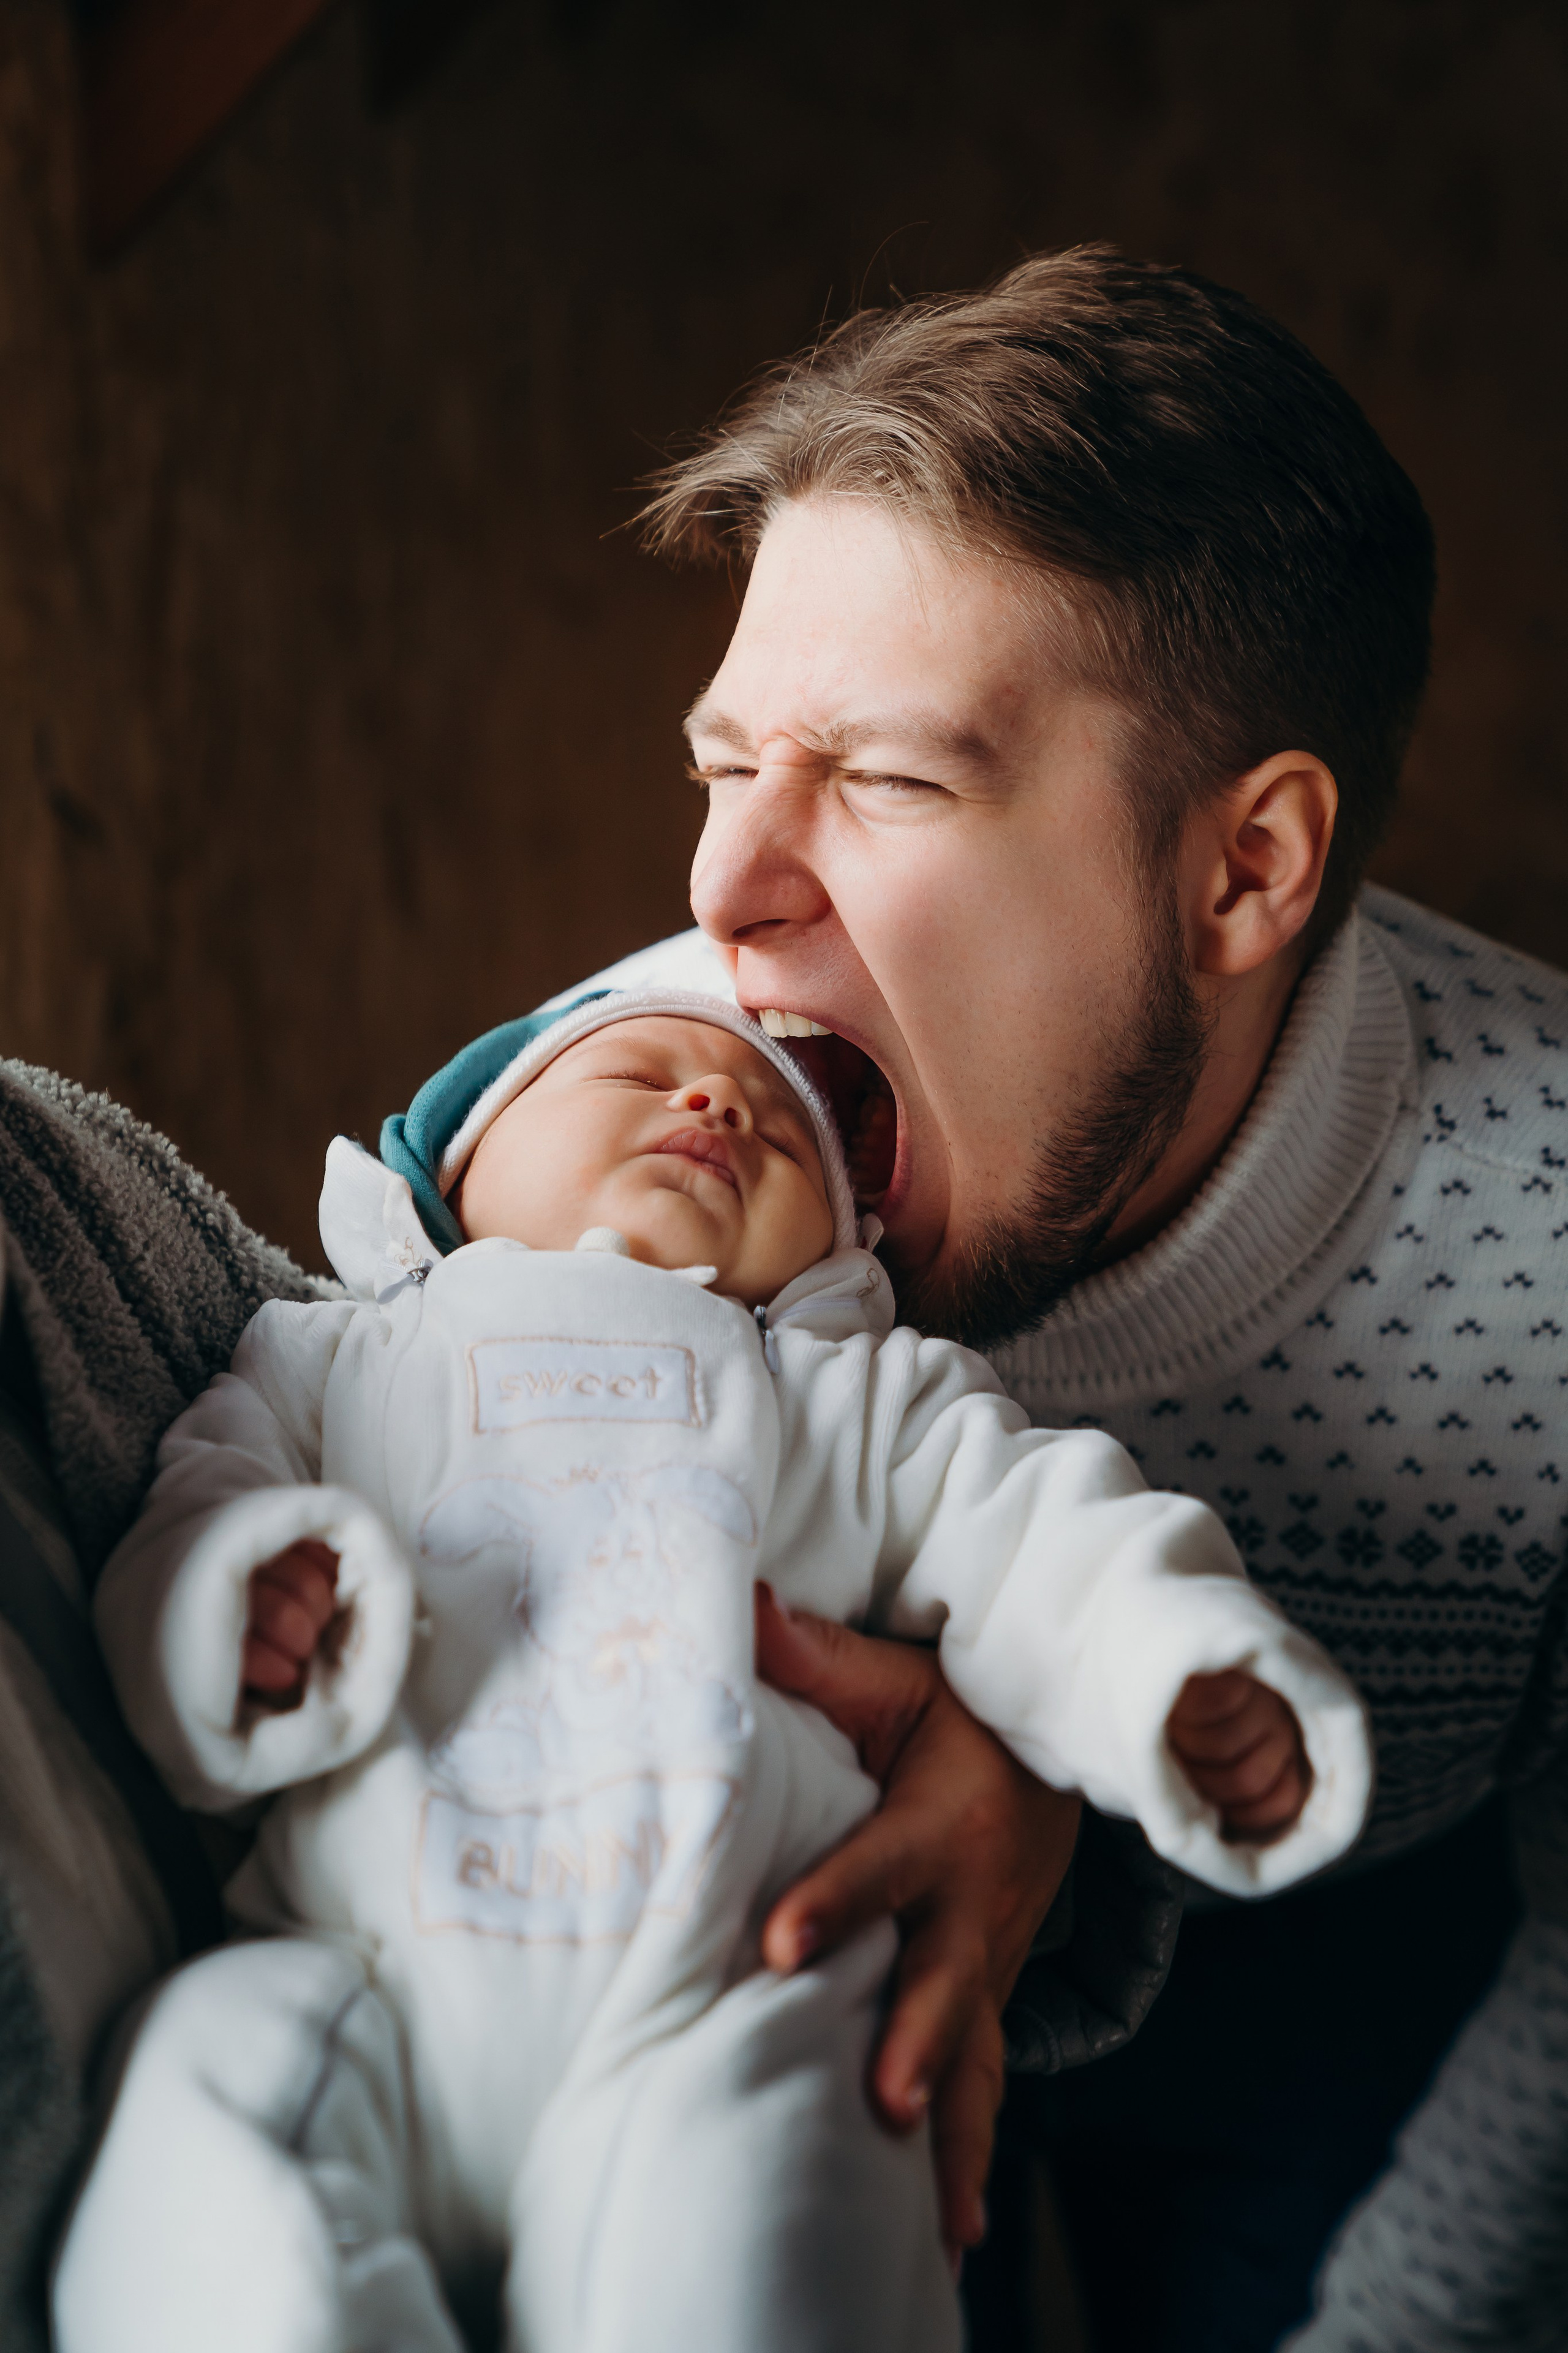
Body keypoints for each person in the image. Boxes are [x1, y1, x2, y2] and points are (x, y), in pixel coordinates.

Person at [530, 247, 1567, 2349]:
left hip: (1380, 1972)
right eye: (729, 761)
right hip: (825, 1960)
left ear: (1244, 873)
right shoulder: (631, 1132)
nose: (725, 893)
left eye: (892, 780)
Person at [53, 994, 1370, 2353]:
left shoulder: (841, 1395)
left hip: (731, 1996)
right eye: (638, 1068)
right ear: (451, 1169)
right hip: (359, 1966)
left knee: (766, 2252)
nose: (716, 1106)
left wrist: (1170, 1661)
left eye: (784, 1137)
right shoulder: (330, 1352)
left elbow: (1041, 1530)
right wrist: (243, 1608)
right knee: (207, 2117)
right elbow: (190, 1517)